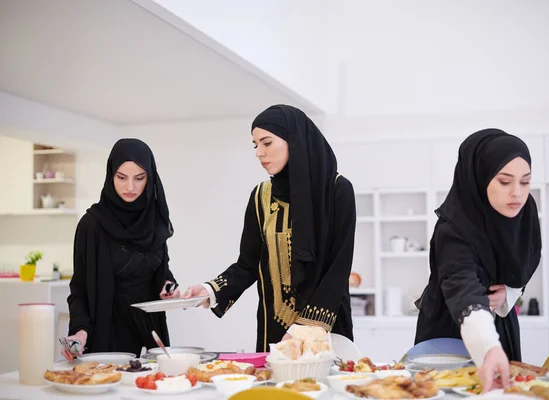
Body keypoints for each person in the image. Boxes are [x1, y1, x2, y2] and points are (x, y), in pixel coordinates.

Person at [182, 104, 357, 352]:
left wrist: (305, 329)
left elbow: (338, 268)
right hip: (274, 329)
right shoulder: (261, 196)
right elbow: (247, 264)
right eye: (255, 145)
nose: (259, 153)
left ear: (292, 140)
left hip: (325, 328)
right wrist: (210, 289)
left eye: (267, 143)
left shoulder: (336, 190)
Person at [414, 129, 542, 392]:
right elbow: (462, 285)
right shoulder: (453, 227)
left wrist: (510, 291)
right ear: (480, 178)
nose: (517, 193)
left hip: (499, 328)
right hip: (449, 333)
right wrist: (488, 347)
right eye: (505, 182)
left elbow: (526, 260)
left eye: (525, 181)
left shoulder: (525, 210)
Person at [63, 138, 180, 361]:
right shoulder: (92, 225)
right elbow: (79, 289)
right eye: (121, 177)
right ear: (110, 176)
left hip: (151, 335)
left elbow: (160, 270)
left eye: (139, 178)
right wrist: (79, 331)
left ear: (151, 178)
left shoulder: (155, 221)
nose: (130, 187)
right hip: (109, 333)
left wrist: (168, 286)